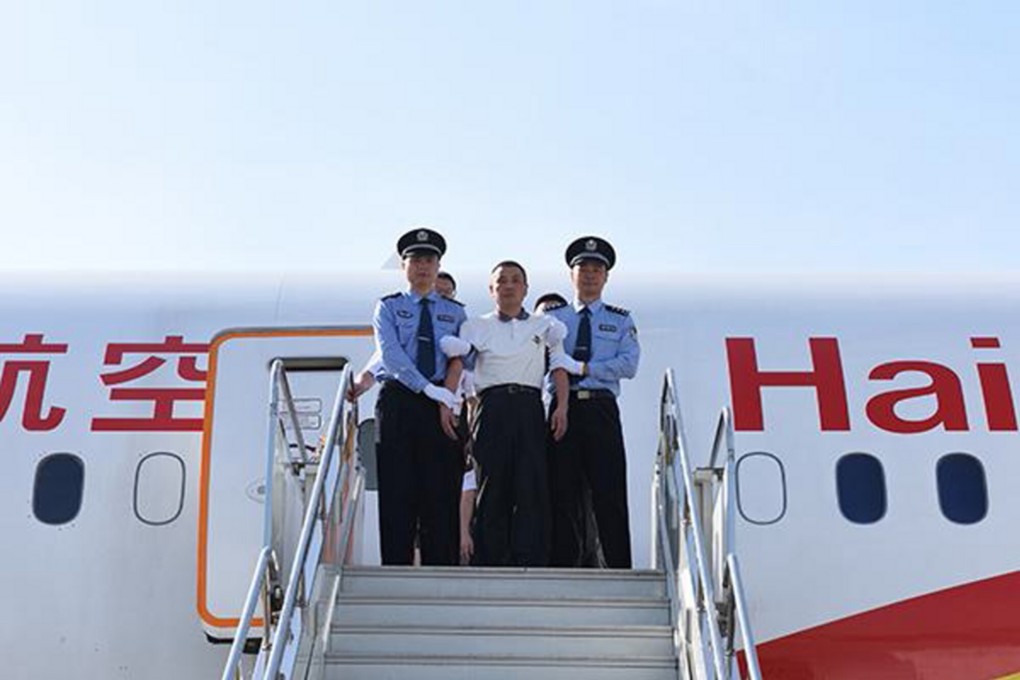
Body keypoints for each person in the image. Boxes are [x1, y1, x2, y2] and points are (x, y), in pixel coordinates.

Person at [441, 261, 569, 566]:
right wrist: (446, 402)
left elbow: (559, 367)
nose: (508, 286)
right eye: (501, 281)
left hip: (529, 405)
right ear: (491, 289)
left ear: (525, 289)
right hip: (492, 406)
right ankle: (490, 559)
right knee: (490, 482)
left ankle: (531, 559)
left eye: (515, 280)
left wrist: (562, 406)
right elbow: (458, 365)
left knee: (530, 482)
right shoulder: (475, 325)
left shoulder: (545, 325)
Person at [372, 228, 466, 565]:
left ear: (438, 266)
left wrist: (446, 397)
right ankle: (396, 569)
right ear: (404, 266)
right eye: (416, 260)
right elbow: (391, 355)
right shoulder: (389, 307)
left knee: (440, 490)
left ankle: (441, 570)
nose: (423, 267)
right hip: (400, 398)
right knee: (397, 490)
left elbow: (461, 359)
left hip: (440, 403)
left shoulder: (455, 312)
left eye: (429, 260)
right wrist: (426, 388)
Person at [545, 236, 640, 569]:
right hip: (563, 407)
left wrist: (585, 368)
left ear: (606, 277)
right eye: (583, 268)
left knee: (609, 491)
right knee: (562, 491)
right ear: (571, 274)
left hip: (600, 407)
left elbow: (629, 365)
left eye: (596, 269)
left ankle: (617, 566)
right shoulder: (553, 319)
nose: (589, 274)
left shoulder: (620, 320)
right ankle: (564, 565)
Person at [349, 270, 459, 401]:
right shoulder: (409, 325)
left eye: (448, 292)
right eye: (438, 291)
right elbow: (381, 361)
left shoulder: (458, 324)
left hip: (443, 396)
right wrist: (360, 385)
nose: (443, 296)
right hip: (402, 393)